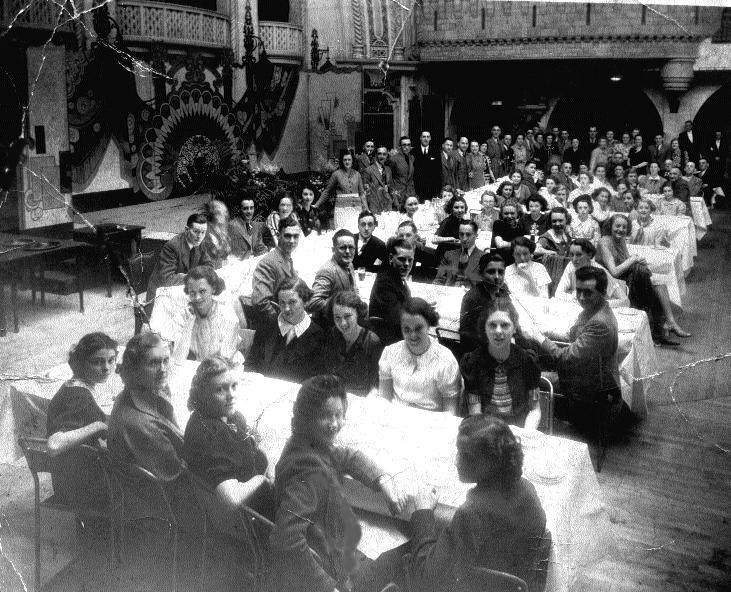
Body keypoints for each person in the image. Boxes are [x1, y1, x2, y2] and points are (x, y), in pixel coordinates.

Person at [266, 375, 407, 592]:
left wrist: (381, 479)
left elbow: (345, 455)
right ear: (307, 418)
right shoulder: (308, 471)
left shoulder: (308, 444)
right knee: (411, 555)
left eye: (339, 415)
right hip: (334, 572)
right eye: (325, 416)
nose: (334, 424)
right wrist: (327, 587)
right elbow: (286, 538)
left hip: (336, 553)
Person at [408, 415, 548, 592]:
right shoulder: (528, 489)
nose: (456, 461)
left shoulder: (471, 513)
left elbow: (426, 578)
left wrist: (423, 513)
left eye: (467, 457)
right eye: (458, 452)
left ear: (493, 461)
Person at [523, 266, 622, 431]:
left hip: (587, 388)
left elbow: (565, 358)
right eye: (579, 291)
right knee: (532, 358)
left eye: (588, 292)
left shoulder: (600, 322)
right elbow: (574, 337)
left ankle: (535, 425)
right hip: (586, 374)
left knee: (526, 377)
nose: (581, 298)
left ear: (603, 293)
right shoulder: (596, 310)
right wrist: (542, 332)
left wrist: (539, 337)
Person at [182, 356, 273, 518]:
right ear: (202, 395)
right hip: (252, 518)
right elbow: (230, 499)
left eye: (234, 386)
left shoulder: (205, 417)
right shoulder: (213, 432)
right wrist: (261, 479)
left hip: (251, 499)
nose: (231, 395)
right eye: (220, 389)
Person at [47, 333, 118, 505]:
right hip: (79, 487)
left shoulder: (75, 385)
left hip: (75, 477)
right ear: (80, 363)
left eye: (111, 360)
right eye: (97, 362)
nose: (107, 368)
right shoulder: (78, 397)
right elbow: (54, 444)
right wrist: (98, 425)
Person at [596, 214, 689, 344]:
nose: (621, 230)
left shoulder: (621, 240)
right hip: (609, 281)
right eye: (617, 226)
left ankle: (670, 322)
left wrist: (638, 261)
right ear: (610, 226)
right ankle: (664, 325)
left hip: (624, 278)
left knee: (658, 283)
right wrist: (633, 259)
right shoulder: (604, 242)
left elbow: (626, 261)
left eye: (624, 227)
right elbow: (614, 271)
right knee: (651, 283)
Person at [108, 333, 185, 483]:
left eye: (165, 360)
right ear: (134, 369)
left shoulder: (150, 390)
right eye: (153, 363)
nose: (163, 369)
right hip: (167, 496)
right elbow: (178, 477)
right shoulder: (143, 424)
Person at [460, 301, 541, 429]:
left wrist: (527, 433)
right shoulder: (473, 362)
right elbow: (475, 413)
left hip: (520, 429)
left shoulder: (528, 361)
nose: (498, 331)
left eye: (505, 325)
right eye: (492, 325)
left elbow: (534, 409)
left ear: (514, 328)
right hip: (485, 429)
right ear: (484, 328)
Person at [378, 298, 463, 414]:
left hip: (431, 424)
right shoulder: (391, 353)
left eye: (418, 329)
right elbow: (384, 399)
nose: (413, 335)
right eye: (406, 329)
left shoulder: (445, 360)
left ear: (428, 325)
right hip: (396, 419)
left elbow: (450, 411)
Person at [246, 278, 326, 382]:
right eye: (282, 303)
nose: (286, 308)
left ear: (305, 302)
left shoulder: (318, 336)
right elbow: (251, 362)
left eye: (292, 302)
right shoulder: (267, 325)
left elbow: (315, 380)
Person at [158, 265, 241, 364]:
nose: (197, 298)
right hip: (194, 369)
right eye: (192, 293)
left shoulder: (228, 318)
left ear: (213, 289)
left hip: (223, 370)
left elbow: (224, 362)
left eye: (202, 291)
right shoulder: (184, 315)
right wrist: (189, 324)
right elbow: (177, 360)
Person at [146, 213, 212, 314]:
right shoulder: (172, 246)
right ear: (186, 230)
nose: (200, 236)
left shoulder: (200, 242)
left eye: (203, 232)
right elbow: (167, 278)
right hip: (161, 294)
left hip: (182, 289)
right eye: (196, 232)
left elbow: (208, 265)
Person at [323, 290, 383, 397]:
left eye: (347, 316)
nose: (343, 323)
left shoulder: (372, 341)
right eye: (337, 317)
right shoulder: (332, 334)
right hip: (335, 395)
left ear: (357, 313)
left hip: (360, 398)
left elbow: (377, 383)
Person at [251, 216, 300, 327]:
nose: (292, 241)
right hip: (277, 329)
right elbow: (260, 302)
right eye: (287, 236)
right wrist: (284, 324)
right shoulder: (268, 263)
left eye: (296, 236)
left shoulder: (287, 260)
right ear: (278, 236)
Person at [459, 253, 511, 351]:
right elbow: (468, 340)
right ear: (480, 273)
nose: (497, 277)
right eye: (491, 272)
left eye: (501, 272)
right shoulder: (472, 298)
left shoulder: (503, 290)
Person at [555, 239, 629, 307]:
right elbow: (558, 293)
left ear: (589, 255)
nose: (574, 259)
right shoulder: (571, 266)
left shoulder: (599, 271)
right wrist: (575, 297)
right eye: (571, 255)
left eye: (578, 255)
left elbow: (625, 301)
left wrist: (598, 304)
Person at [368, 237, 414, 344]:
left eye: (410, 260)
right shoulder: (385, 282)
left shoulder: (395, 276)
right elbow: (399, 320)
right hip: (389, 342)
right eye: (402, 259)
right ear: (391, 258)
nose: (407, 264)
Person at [308, 229, 359, 324]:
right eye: (342, 248)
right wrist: (342, 305)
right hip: (330, 325)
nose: (348, 251)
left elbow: (354, 288)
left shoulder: (349, 264)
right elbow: (313, 302)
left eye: (351, 247)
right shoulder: (327, 270)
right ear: (333, 250)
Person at [315, 152, 367, 228]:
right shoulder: (336, 174)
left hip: (356, 209)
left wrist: (366, 208)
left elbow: (362, 193)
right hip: (341, 210)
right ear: (342, 161)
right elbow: (327, 191)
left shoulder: (357, 174)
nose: (347, 162)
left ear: (352, 161)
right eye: (345, 160)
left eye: (349, 160)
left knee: (355, 230)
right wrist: (317, 204)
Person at [433, 219, 484, 289]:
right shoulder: (449, 255)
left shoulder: (484, 258)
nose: (464, 238)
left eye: (468, 234)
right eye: (461, 234)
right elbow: (438, 281)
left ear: (476, 235)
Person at [535, 207, 572, 293]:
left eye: (560, 220)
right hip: (552, 275)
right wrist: (550, 252)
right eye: (554, 221)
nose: (557, 224)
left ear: (566, 220)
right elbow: (535, 249)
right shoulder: (547, 236)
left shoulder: (567, 236)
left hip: (565, 274)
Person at [229, 192, 271, 259]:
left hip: (253, 262)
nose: (249, 212)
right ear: (240, 210)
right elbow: (233, 253)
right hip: (239, 264)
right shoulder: (232, 226)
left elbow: (260, 248)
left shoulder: (255, 226)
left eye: (251, 208)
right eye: (245, 208)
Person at [432, 194, 469, 264]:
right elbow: (434, 240)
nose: (460, 210)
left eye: (462, 207)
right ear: (451, 209)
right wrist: (451, 239)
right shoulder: (447, 222)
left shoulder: (463, 222)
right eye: (456, 207)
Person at [362, 146, 395, 215]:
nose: (382, 156)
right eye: (379, 154)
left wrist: (394, 201)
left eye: (384, 154)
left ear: (387, 156)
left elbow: (391, 188)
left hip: (387, 205)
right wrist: (367, 208)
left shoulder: (388, 169)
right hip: (375, 206)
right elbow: (364, 192)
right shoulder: (368, 170)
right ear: (376, 155)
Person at [490, 200, 523, 265]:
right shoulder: (498, 224)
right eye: (506, 213)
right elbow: (500, 244)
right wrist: (517, 245)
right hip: (499, 261)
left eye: (512, 213)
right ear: (501, 214)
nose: (509, 216)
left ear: (517, 214)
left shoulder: (520, 226)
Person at [201, 200, 232, 268]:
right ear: (214, 215)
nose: (225, 215)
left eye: (225, 212)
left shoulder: (222, 231)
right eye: (220, 212)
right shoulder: (206, 233)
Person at [414, 130, 442, 201]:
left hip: (432, 188)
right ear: (420, 138)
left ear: (430, 138)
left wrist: (437, 190)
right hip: (418, 188)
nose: (426, 139)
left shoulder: (436, 151)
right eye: (424, 137)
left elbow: (439, 171)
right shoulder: (414, 151)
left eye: (428, 137)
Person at [389, 135, 416, 204]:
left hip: (410, 194)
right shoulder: (393, 159)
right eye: (404, 145)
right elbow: (389, 179)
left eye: (408, 145)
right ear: (399, 146)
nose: (406, 147)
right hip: (399, 195)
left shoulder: (412, 158)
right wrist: (394, 195)